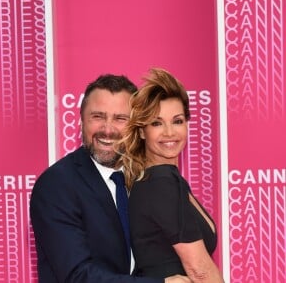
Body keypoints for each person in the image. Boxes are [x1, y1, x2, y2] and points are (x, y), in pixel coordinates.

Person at [30, 74, 190, 283]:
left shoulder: (145, 177)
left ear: (136, 126)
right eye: (98, 117)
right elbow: (76, 276)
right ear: (80, 121)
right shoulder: (57, 185)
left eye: (120, 119)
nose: (107, 129)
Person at [116, 68, 225, 282]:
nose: (169, 132)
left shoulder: (164, 180)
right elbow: (199, 271)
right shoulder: (160, 182)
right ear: (141, 132)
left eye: (177, 121)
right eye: (156, 123)